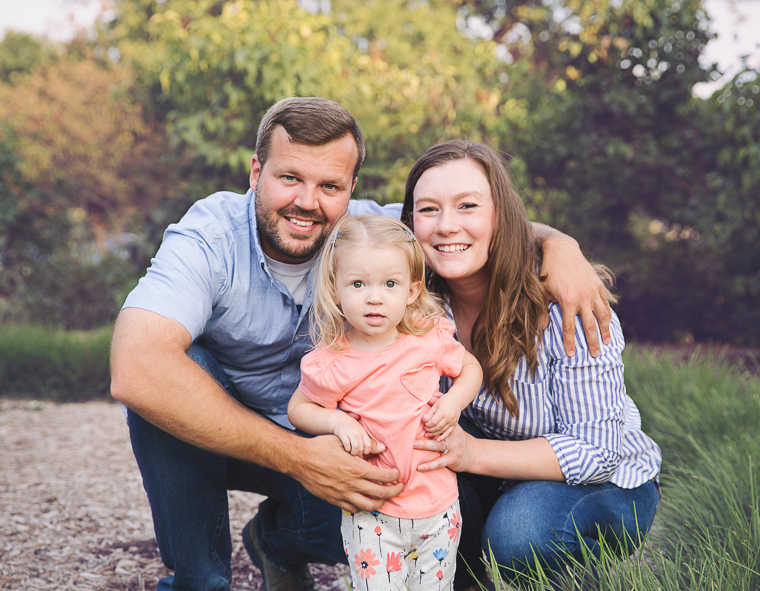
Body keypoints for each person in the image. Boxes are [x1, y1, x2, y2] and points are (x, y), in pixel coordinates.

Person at [109, 97, 614, 591]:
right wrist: (298, 458)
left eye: (329, 185)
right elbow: (135, 368)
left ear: (351, 189)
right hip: (235, 435)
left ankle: (277, 538)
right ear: (255, 171)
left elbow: (466, 225)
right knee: (172, 372)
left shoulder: (373, 231)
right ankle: (200, 581)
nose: (307, 201)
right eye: (289, 178)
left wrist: (557, 245)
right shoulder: (209, 237)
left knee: (436, 516)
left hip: (351, 443)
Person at [398, 140, 662, 589]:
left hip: (607, 485)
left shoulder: (566, 307)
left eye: (467, 206)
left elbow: (598, 452)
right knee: (415, 469)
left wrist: (473, 453)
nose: (446, 226)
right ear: (409, 224)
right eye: (428, 210)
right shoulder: (421, 304)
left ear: (501, 217)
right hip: (500, 471)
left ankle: (573, 576)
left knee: (518, 536)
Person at [287, 213, 481, 591]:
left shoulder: (428, 337)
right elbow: (299, 408)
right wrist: (339, 423)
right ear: (336, 288)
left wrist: (455, 400)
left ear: (411, 290)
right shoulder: (334, 361)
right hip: (372, 511)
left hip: (438, 506)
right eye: (358, 284)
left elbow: (470, 368)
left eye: (390, 283)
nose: (374, 297)